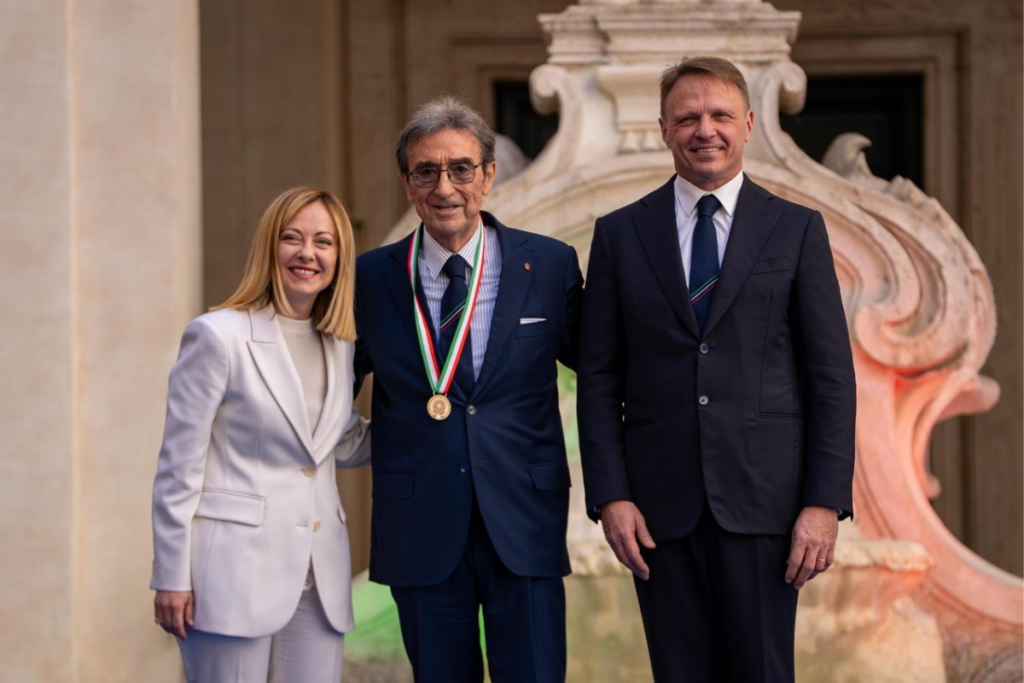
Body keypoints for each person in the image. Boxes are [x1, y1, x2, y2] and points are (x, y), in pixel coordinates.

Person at [577, 56, 856, 682]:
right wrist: (611, 496)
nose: (705, 130)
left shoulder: (796, 230)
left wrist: (824, 503)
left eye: (720, 115)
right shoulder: (620, 235)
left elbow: (831, 379)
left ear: (748, 124)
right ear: (663, 129)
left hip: (767, 507)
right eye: (687, 118)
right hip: (658, 512)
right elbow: (598, 379)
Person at [353, 94, 583, 682]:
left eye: (460, 168)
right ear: (407, 184)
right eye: (425, 171)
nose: (444, 187)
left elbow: (602, 373)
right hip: (419, 527)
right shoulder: (370, 278)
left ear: (488, 175)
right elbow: (325, 390)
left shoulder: (549, 265)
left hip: (525, 522)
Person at [150, 187, 370, 683]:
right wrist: (171, 575)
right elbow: (178, 467)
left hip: (320, 577)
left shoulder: (339, 344)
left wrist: (435, 427)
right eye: (292, 238)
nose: (307, 253)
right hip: (231, 576)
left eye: (323, 242)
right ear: (270, 246)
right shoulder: (216, 336)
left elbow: (337, 442)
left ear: (340, 257)